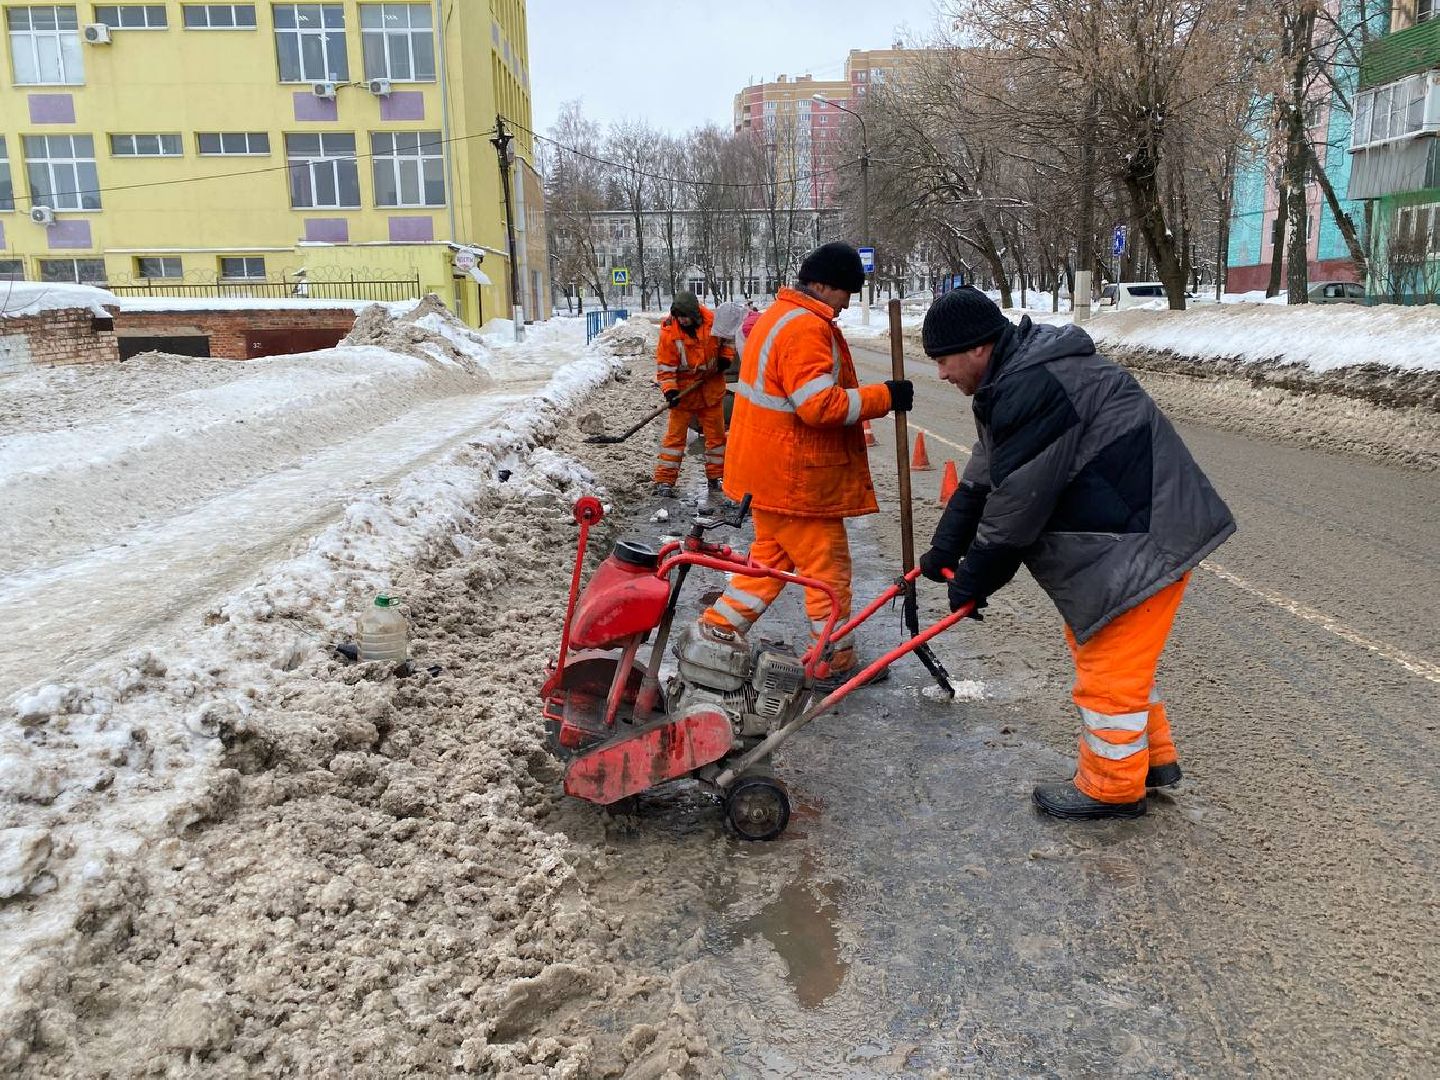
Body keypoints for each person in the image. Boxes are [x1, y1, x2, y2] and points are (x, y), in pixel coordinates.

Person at [917, 285, 1235, 820]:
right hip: (1129, 535)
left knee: (1109, 671)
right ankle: (1151, 762)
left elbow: (1019, 501)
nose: (941, 375)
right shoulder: (1013, 378)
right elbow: (984, 471)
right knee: (1115, 660)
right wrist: (946, 543)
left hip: (1141, 540)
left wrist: (974, 578)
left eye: (944, 361)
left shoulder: (1031, 386)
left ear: (976, 349)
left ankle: (1112, 788)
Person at [698, 242, 913, 683]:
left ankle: (716, 630)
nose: (848, 301)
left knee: (766, 567)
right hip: (795, 480)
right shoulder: (804, 327)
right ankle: (832, 661)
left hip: (769, 474)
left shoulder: (781, 317)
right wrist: (885, 397)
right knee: (828, 571)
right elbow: (818, 406)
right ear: (821, 285)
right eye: (845, 291)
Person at [652, 291, 734, 499]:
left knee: (716, 438)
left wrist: (725, 359)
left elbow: (728, 342)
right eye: (679, 316)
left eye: (685, 316)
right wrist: (670, 391)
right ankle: (665, 481)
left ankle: (717, 478)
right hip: (684, 394)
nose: (682, 320)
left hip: (710, 389)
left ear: (695, 314)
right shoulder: (669, 334)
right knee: (674, 439)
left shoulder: (713, 322)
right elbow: (666, 369)